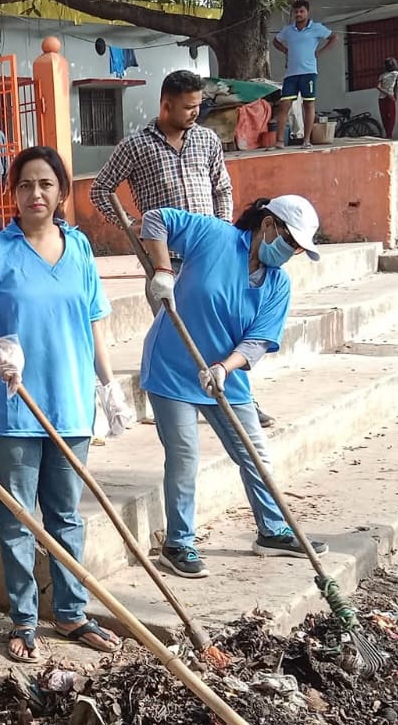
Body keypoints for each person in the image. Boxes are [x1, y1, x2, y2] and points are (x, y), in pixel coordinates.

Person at [0, 147, 129, 662]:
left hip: (71, 404)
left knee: (65, 517)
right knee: (18, 519)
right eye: (26, 184)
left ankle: (72, 613)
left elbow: (94, 322)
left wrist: (109, 384)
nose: (36, 194)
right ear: (13, 192)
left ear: (61, 192)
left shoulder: (79, 249)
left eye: (47, 185)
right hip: (12, 409)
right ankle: (24, 619)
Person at [137, 196, 332, 578]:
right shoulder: (215, 236)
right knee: (185, 455)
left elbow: (259, 340)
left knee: (254, 453)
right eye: (289, 241)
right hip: (172, 366)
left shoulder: (277, 284)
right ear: (269, 225)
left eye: (296, 248)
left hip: (226, 376)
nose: (290, 252)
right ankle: (178, 543)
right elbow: (156, 218)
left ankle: (273, 531)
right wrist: (162, 271)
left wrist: (224, 368)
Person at [93, 70, 274, 427]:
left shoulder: (206, 140)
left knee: (224, 332)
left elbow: (222, 188)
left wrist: (225, 233)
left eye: (198, 105)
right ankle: (182, 410)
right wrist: (131, 226)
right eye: (189, 106)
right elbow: (100, 191)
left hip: (210, 259)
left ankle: (243, 403)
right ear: (166, 104)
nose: (195, 112)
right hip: (165, 262)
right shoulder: (135, 146)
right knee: (180, 335)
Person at [271, 0, 335, 148]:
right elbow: (276, 41)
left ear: (307, 12)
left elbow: (333, 37)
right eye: (296, 12)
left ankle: (306, 140)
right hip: (291, 74)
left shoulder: (317, 28)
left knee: (309, 104)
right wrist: (285, 50)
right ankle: (279, 141)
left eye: (301, 11)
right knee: (284, 105)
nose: (298, 14)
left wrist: (320, 52)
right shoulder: (288, 30)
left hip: (309, 72)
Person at [376, 58, 398, 138]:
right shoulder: (397, 74)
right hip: (391, 97)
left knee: (384, 117)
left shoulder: (382, 75)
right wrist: (394, 96)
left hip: (381, 98)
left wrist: (386, 93)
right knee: (392, 117)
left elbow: (378, 86)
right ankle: (389, 134)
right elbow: (397, 87)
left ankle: (388, 134)